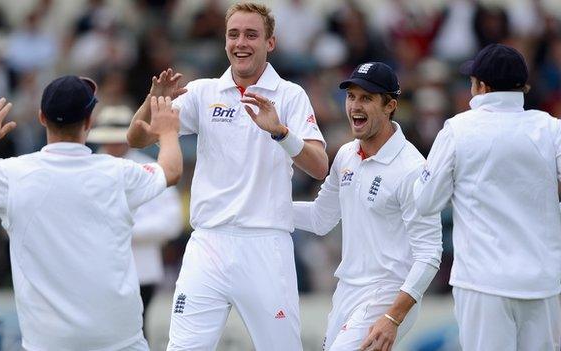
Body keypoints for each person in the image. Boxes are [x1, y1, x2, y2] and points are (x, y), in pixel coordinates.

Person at [127, 2, 328, 350]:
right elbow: (137, 137)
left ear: (271, 43)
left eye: (252, 34)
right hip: (208, 243)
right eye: (234, 34)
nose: (241, 43)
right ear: (224, 42)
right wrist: (152, 101)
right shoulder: (203, 91)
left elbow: (320, 166)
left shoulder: (290, 95)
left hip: (265, 242)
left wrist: (281, 132)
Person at [0, 76, 182, 351]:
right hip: (119, 339)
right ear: (89, 121)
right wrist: (167, 131)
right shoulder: (118, 172)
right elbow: (172, 171)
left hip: (47, 342)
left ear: (41, 117)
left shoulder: (12, 174)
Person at [413, 43, 561, 350]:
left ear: (482, 86)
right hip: (543, 283)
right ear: (524, 86)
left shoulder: (458, 129)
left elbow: (425, 202)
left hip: (482, 283)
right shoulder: (550, 129)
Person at [293, 62, 443, 351]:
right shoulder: (346, 155)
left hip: (388, 294)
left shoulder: (413, 169)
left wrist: (393, 316)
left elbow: (429, 254)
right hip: (348, 290)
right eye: (351, 97)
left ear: (390, 106)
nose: (355, 106)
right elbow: (320, 218)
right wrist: (260, 207)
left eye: (366, 98)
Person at [88, 104, 184, 339]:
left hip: (140, 269)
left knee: (135, 332)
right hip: (97, 269)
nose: (113, 145)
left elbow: (172, 220)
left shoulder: (149, 168)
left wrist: (126, 230)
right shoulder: (87, 167)